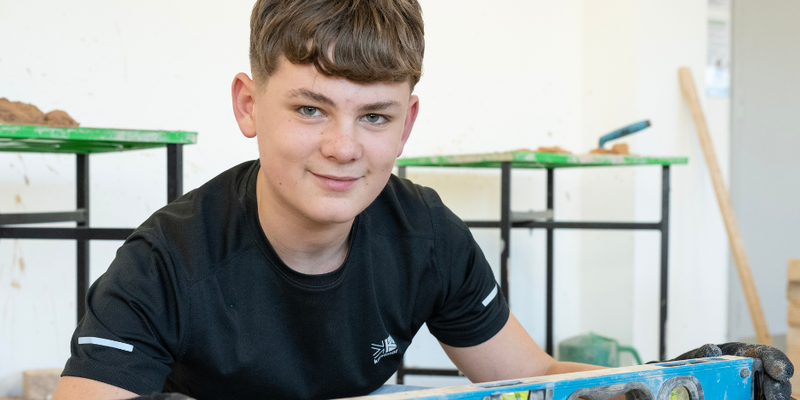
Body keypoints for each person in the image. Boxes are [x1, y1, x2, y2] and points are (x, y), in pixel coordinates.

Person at [52, 0, 794, 399]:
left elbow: (527, 377)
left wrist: (683, 380)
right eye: (311, 109)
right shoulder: (166, 263)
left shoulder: (425, 236)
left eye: (373, 116)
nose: (345, 147)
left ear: (406, 122)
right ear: (249, 105)